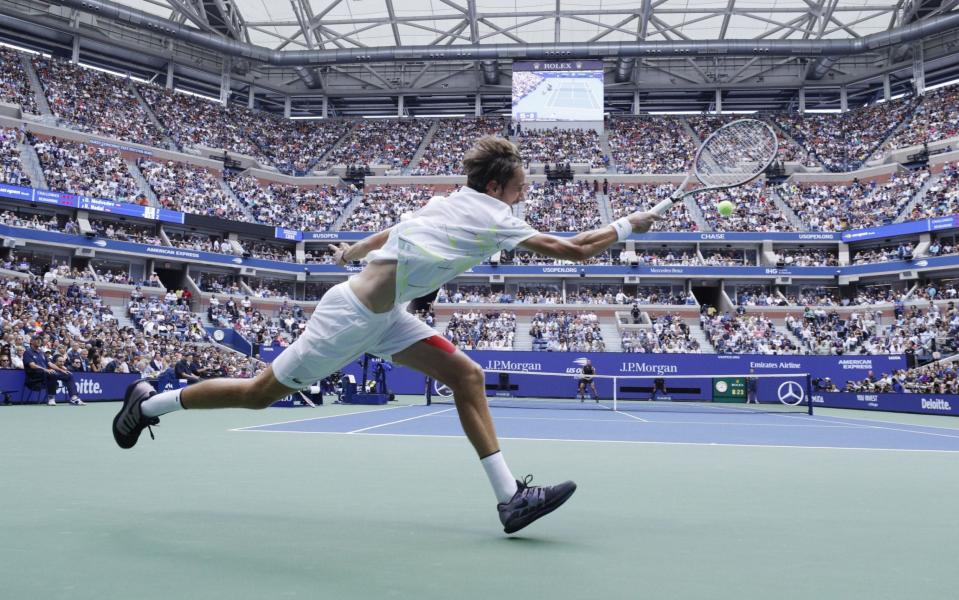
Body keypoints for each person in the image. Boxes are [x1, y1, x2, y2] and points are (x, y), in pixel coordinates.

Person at [112, 135, 660, 534]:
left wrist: (351, 251)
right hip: (347, 320)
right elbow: (576, 249)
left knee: (466, 375)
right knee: (257, 395)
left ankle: (511, 499)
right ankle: (150, 404)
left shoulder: (450, 201)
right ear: (497, 186)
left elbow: (393, 232)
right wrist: (632, 223)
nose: (526, 190)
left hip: (387, 316)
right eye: (521, 183)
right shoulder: (494, 214)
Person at [23, 336, 85, 406]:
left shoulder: (41, 352)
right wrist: (46, 369)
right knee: (52, 373)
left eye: (40, 340)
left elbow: (50, 363)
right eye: (36, 339)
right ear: (31, 341)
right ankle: (51, 398)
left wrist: (61, 370)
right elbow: (32, 365)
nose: (39, 341)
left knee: (68, 375)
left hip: (46, 374)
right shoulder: (28, 352)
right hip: (34, 376)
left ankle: (74, 398)